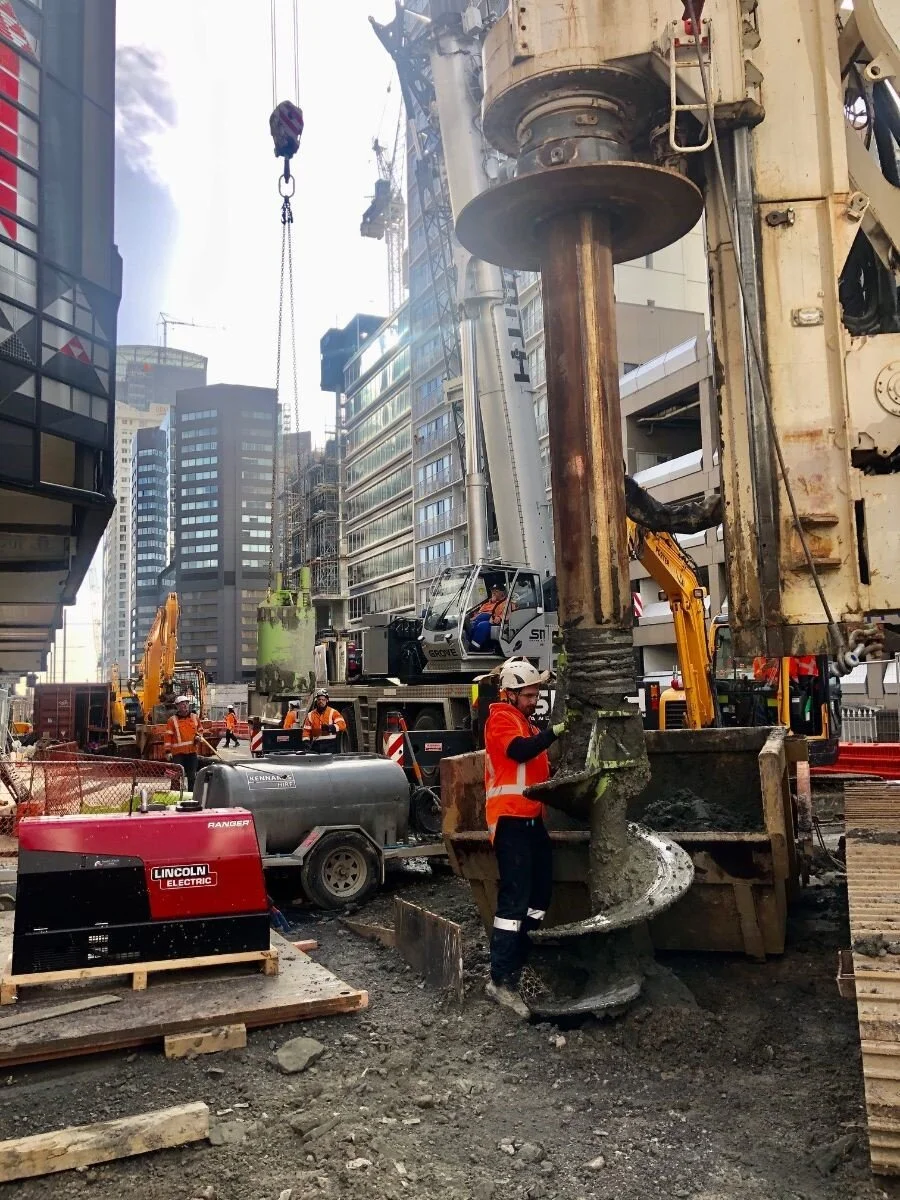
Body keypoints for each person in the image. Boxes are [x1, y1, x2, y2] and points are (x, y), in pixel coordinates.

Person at [483, 657, 567, 1017]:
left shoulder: (525, 723)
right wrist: (555, 732)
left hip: (531, 821)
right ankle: (501, 978)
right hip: (510, 822)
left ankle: (519, 960)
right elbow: (518, 753)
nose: (535, 701)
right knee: (514, 903)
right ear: (511, 693)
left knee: (540, 895)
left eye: (536, 694)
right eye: (529, 695)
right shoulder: (501, 719)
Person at [165, 694, 202, 790]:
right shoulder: (172, 720)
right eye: (182, 704)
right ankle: (175, 794)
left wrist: (199, 736)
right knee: (176, 776)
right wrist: (168, 751)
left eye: (186, 703)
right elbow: (168, 736)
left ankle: (191, 795)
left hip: (192, 752)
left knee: (192, 776)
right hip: (178, 754)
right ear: (177, 706)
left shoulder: (195, 717)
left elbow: (200, 730)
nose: (185, 705)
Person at [302, 689, 348, 754]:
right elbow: (306, 732)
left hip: (330, 745)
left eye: (323, 699)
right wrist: (306, 743)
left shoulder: (333, 712)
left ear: (327, 700)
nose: (321, 701)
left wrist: (330, 728)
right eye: (319, 699)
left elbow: (342, 725)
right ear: (316, 701)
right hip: (316, 746)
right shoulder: (310, 715)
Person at [470, 584, 513, 650]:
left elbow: (509, 615)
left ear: (502, 593)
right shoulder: (486, 603)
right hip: (483, 620)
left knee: (483, 625)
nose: (493, 593)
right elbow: (478, 613)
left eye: (496, 591)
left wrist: (500, 618)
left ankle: (473, 648)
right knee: (472, 624)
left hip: (498, 624)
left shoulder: (507, 603)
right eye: (492, 591)